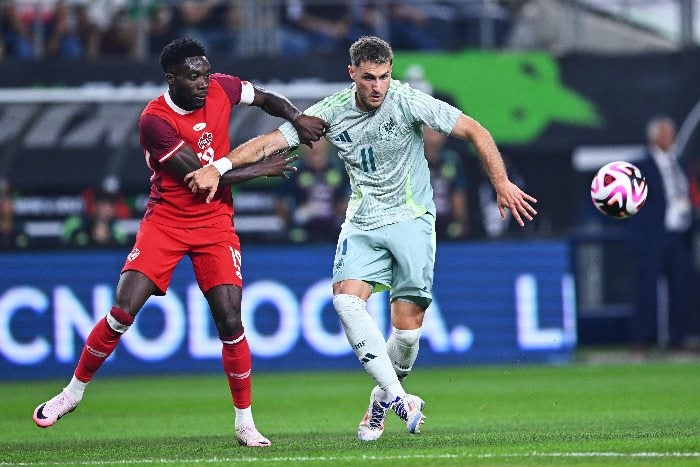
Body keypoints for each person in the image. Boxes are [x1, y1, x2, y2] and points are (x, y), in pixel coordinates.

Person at [185, 35, 537, 441]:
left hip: (412, 221)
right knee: (345, 302)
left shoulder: (408, 101)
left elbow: (474, 130)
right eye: (368, 78)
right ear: (351, 74)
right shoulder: (331, 113)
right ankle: (401, 398)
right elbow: (268, 142)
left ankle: (381, 400)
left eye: (384, 77)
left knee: (407, 332)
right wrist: (220, 165)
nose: (377, 87)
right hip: (363, 223)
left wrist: (501, 183)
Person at [32, 37, 328, 448]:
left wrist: (295, 116)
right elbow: (202, 178)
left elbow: (265, 98)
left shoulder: (222, 87)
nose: (204, 82)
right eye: (193, 77)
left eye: (206, 73)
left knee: (230, 321)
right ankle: (72, 393)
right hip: (167, 221)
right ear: (171, 79)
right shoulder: (155, 120)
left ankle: (245, 423)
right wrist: (262, 167)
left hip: (215, 224)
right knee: (122, 310)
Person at [626, 116, 694, 350]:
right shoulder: (640, 166)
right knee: (646, 289)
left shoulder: (680, 161)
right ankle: (643, 338)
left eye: (670, 133)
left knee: (681, 286)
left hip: (679, 234)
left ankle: (678, 338)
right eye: (663, 133)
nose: (668, 137)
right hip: (652, 236)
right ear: (652, 137)